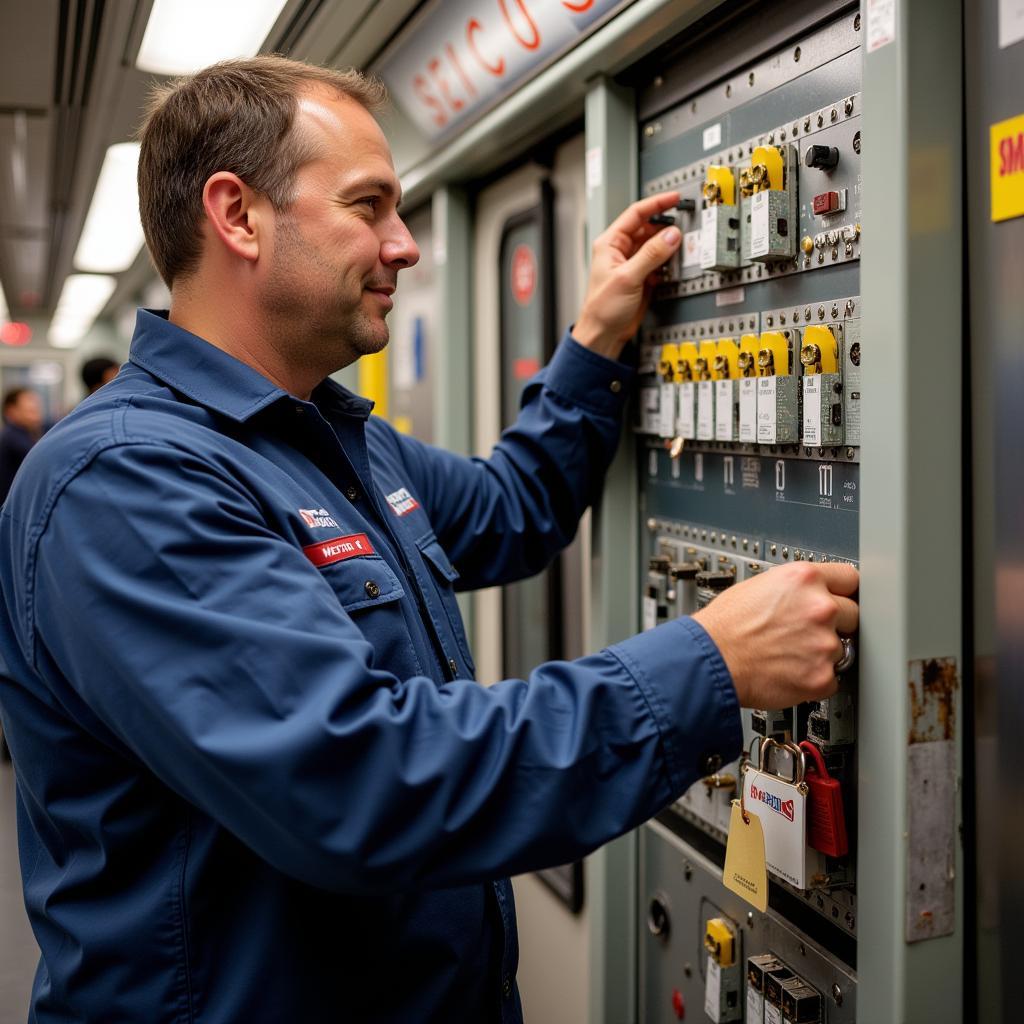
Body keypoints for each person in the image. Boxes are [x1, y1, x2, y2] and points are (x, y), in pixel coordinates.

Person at [0, 56, 858, 1023]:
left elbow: (509, 508)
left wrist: (593, 342)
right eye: (370, 207)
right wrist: (708, 665)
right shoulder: (124, 482)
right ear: (237, 216)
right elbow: (362, 783)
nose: (404, 245)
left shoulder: (331, 438)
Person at [0, 387, 45, 503]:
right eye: (30, 409)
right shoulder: (12, 438)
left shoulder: (25, 434)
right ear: (11, 411)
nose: (36, 410)